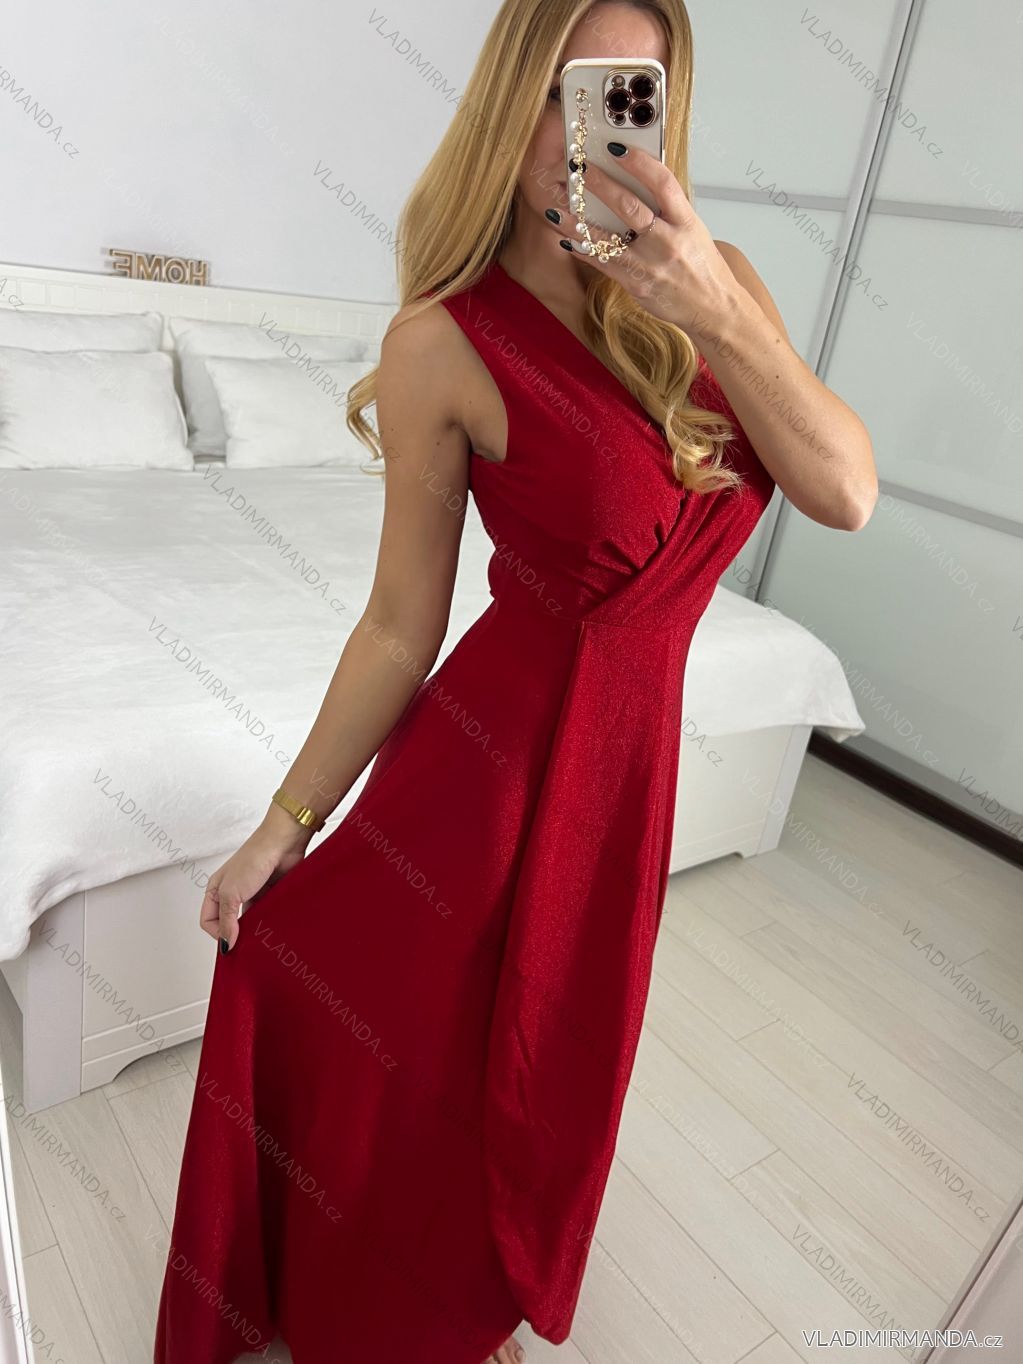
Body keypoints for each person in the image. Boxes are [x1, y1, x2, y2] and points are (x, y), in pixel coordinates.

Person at [153, 1, 876, 1361]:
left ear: (661, 109)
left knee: (544, 1054)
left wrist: (715, 309)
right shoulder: (445, 338)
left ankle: (453, 1296)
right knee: (413, 1043)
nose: (587, 131)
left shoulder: (724, 289)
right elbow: (397, 624)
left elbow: (845, 490)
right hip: (487, 774)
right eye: (561, 91)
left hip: (622, 771)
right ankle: (373, 1308)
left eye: (626, 93)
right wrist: (283, 828)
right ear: (508, 101)